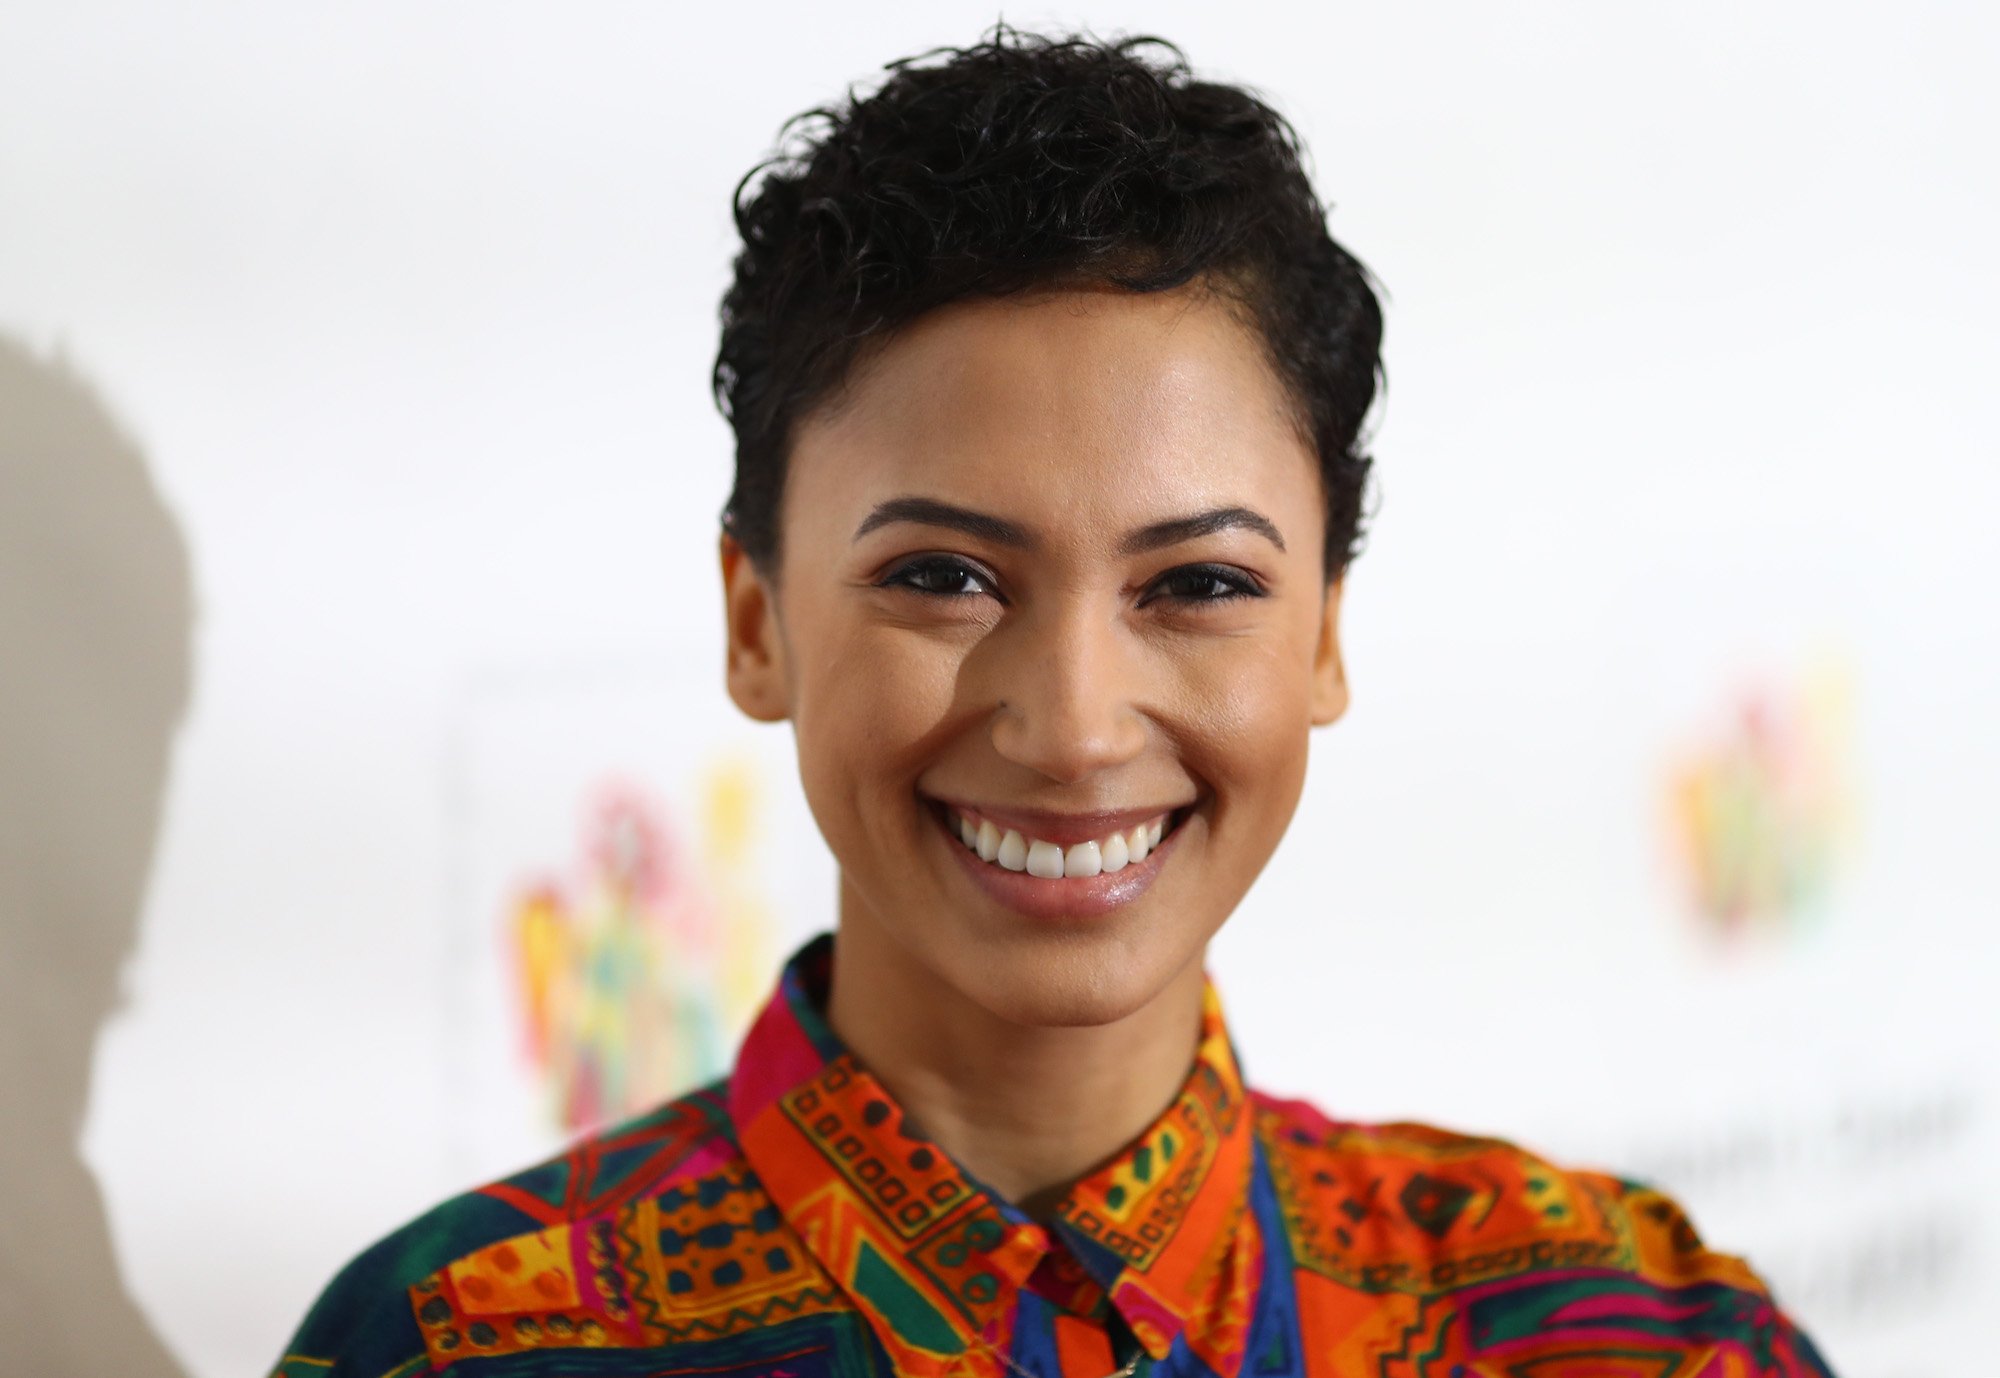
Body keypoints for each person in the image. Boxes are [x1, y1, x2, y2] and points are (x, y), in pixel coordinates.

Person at [272, 27, 1833, 1378]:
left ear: (1325, 638)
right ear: (757, 621)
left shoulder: (1625, 1331)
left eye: (1200, 585)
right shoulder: (465, 1341)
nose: (1076, 724)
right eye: (945, 576)